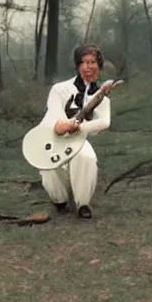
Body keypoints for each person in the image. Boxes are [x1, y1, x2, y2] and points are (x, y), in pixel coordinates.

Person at [39, 44, 113, 219]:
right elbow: (54, 114)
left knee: (86, 158)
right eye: (84, 62)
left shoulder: (102, 96)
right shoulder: (59, 89)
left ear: (99, 65)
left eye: (93, 62)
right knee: (49, 161)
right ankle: (59, 198)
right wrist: (61, 126)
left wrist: (81, 127)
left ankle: (82, 203)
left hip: (78, 137)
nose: (88, 67)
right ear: (78, 65)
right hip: (52, 134)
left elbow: (104, 122)